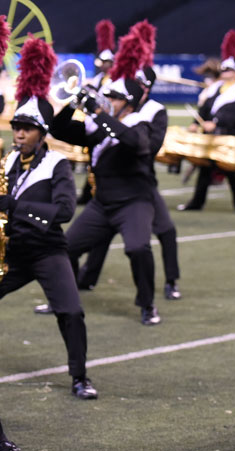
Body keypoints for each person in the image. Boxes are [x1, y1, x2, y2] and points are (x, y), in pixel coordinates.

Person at [0, 37, 97, 399]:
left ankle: (79, 377)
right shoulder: (9, 161)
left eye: (27, 128)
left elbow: (66, 211)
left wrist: (14, 206)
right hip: (13, 252)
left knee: (70, 312)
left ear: (42, 134)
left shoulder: (56, 164)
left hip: (48, 251)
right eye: (17, 127)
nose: (19, 133)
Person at [51, 31, 161, 326]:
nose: (107, 99)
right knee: (65, 247)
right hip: (102, 204)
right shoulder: (99, 125)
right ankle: (64, 297)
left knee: (138, 248)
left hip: (134, 203)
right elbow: (59, 131)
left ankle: (147, 304)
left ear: (127, 102)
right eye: (106, 96)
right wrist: (74, 104)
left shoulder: (140, 123)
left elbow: (134, 143)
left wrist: (99, 112)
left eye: (113, 97)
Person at [75, 23, 182, 301]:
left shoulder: (154, 111)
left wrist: (110, 123)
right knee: (100, 235)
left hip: (141, 182)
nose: (141, 89)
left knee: (166, 230)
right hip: (109, 183)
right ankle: (86, 279)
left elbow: (150, 147)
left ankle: (171, 281)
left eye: (144, 86)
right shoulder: (115, 105)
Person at [177, 30, 235, 214]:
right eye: (223, 69)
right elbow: (205, 108)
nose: (223, 72)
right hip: (213, 136)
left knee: (231, 172)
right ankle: (197, 202)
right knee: (205, 169)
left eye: (227, 69)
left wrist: (216, 123)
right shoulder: (216, 88)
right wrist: (196, 122)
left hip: (230, 136)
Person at [78, 19, 116, 206]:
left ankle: (93, 193)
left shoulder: (115, 81)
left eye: (106, 62)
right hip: (95, 121)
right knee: (92, 157)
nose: (103, 65)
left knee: (101, 157)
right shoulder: (98, 78)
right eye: (101, 62)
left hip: (108, 122)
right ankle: (89, 192)